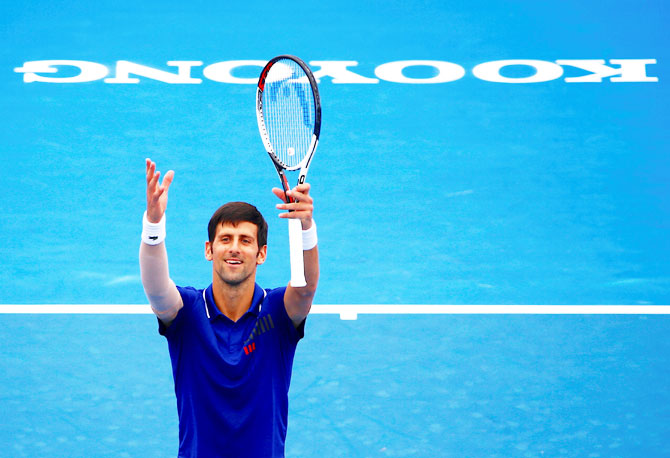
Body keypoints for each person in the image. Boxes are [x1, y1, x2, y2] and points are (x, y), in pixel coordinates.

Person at [139, 158, 319, 457]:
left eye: (245, 240)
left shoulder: (274, 314)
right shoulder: (188, 315)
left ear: (260, 254)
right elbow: (156, 290)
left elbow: (305, 290)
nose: (234, 247)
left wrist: (306, 227)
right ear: (209, 249)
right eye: (225, 239)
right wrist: (153, 225)